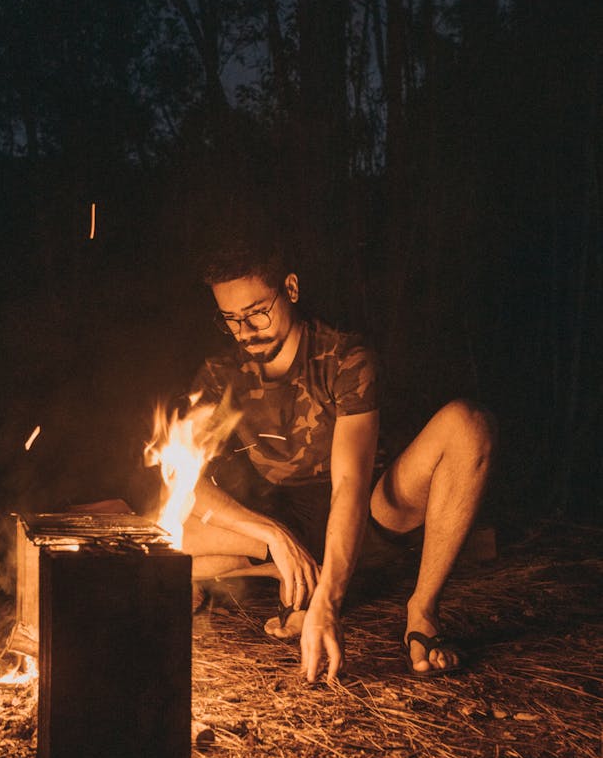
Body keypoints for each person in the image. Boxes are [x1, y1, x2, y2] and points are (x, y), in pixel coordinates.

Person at [180, 245, 496, 684]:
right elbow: (185, 480)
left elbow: (349, 483)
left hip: (368, 510)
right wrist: (271, 535)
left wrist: (328, 602)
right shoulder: (220, 372)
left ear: (290, 289)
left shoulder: (344, 357)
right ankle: (283, 570)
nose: (245, 331)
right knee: (157, 528)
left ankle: (421, 613)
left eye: (256, 313)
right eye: (230, 320)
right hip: (282, 517)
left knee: (468, 424)